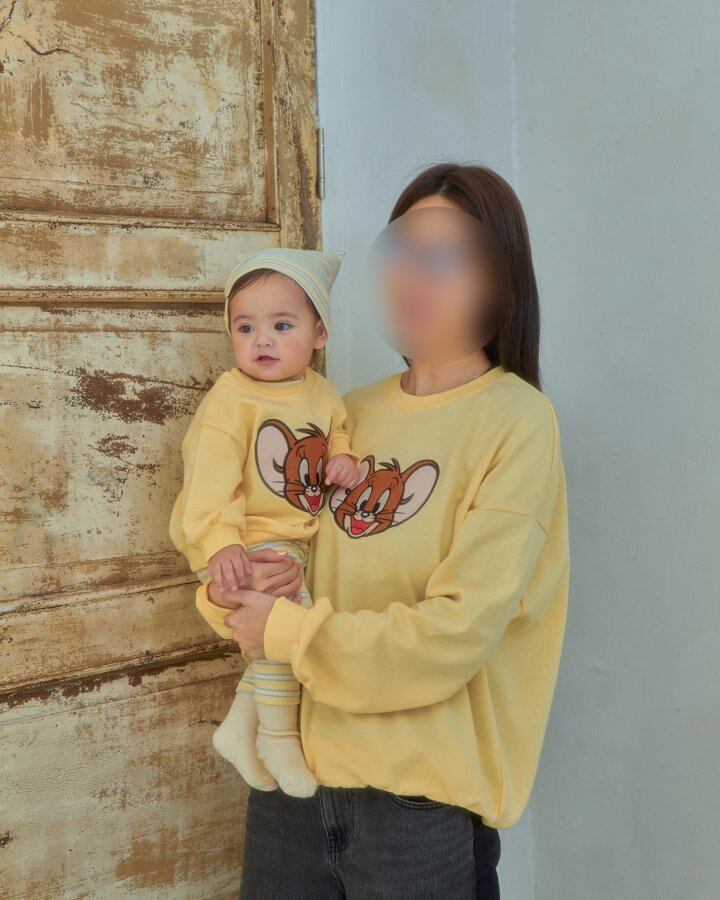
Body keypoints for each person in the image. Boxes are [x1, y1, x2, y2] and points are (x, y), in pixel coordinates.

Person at [196, 164, 570, 899]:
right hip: (290, 781)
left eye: (447, 256)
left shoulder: (518, 422)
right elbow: (266, 552)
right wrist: (231, 591)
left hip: (415, 806)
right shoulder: (343, 411)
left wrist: (285, 631)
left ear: (498, 280)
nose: (414, 275)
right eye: (403, 250)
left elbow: (455, 634)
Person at [170, 248, 359, 798]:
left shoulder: (323, 393)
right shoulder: (233, 398)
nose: (262, 341)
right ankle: (277, 737)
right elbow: (209, 476)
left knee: (286, 628)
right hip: (247, 542)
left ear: (319, 334)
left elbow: (337, 432)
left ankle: (238, 728)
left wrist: (344, 459)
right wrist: (220, 543)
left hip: (298, 542)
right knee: (283, 620)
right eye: (245, 327)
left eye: (282, 325)